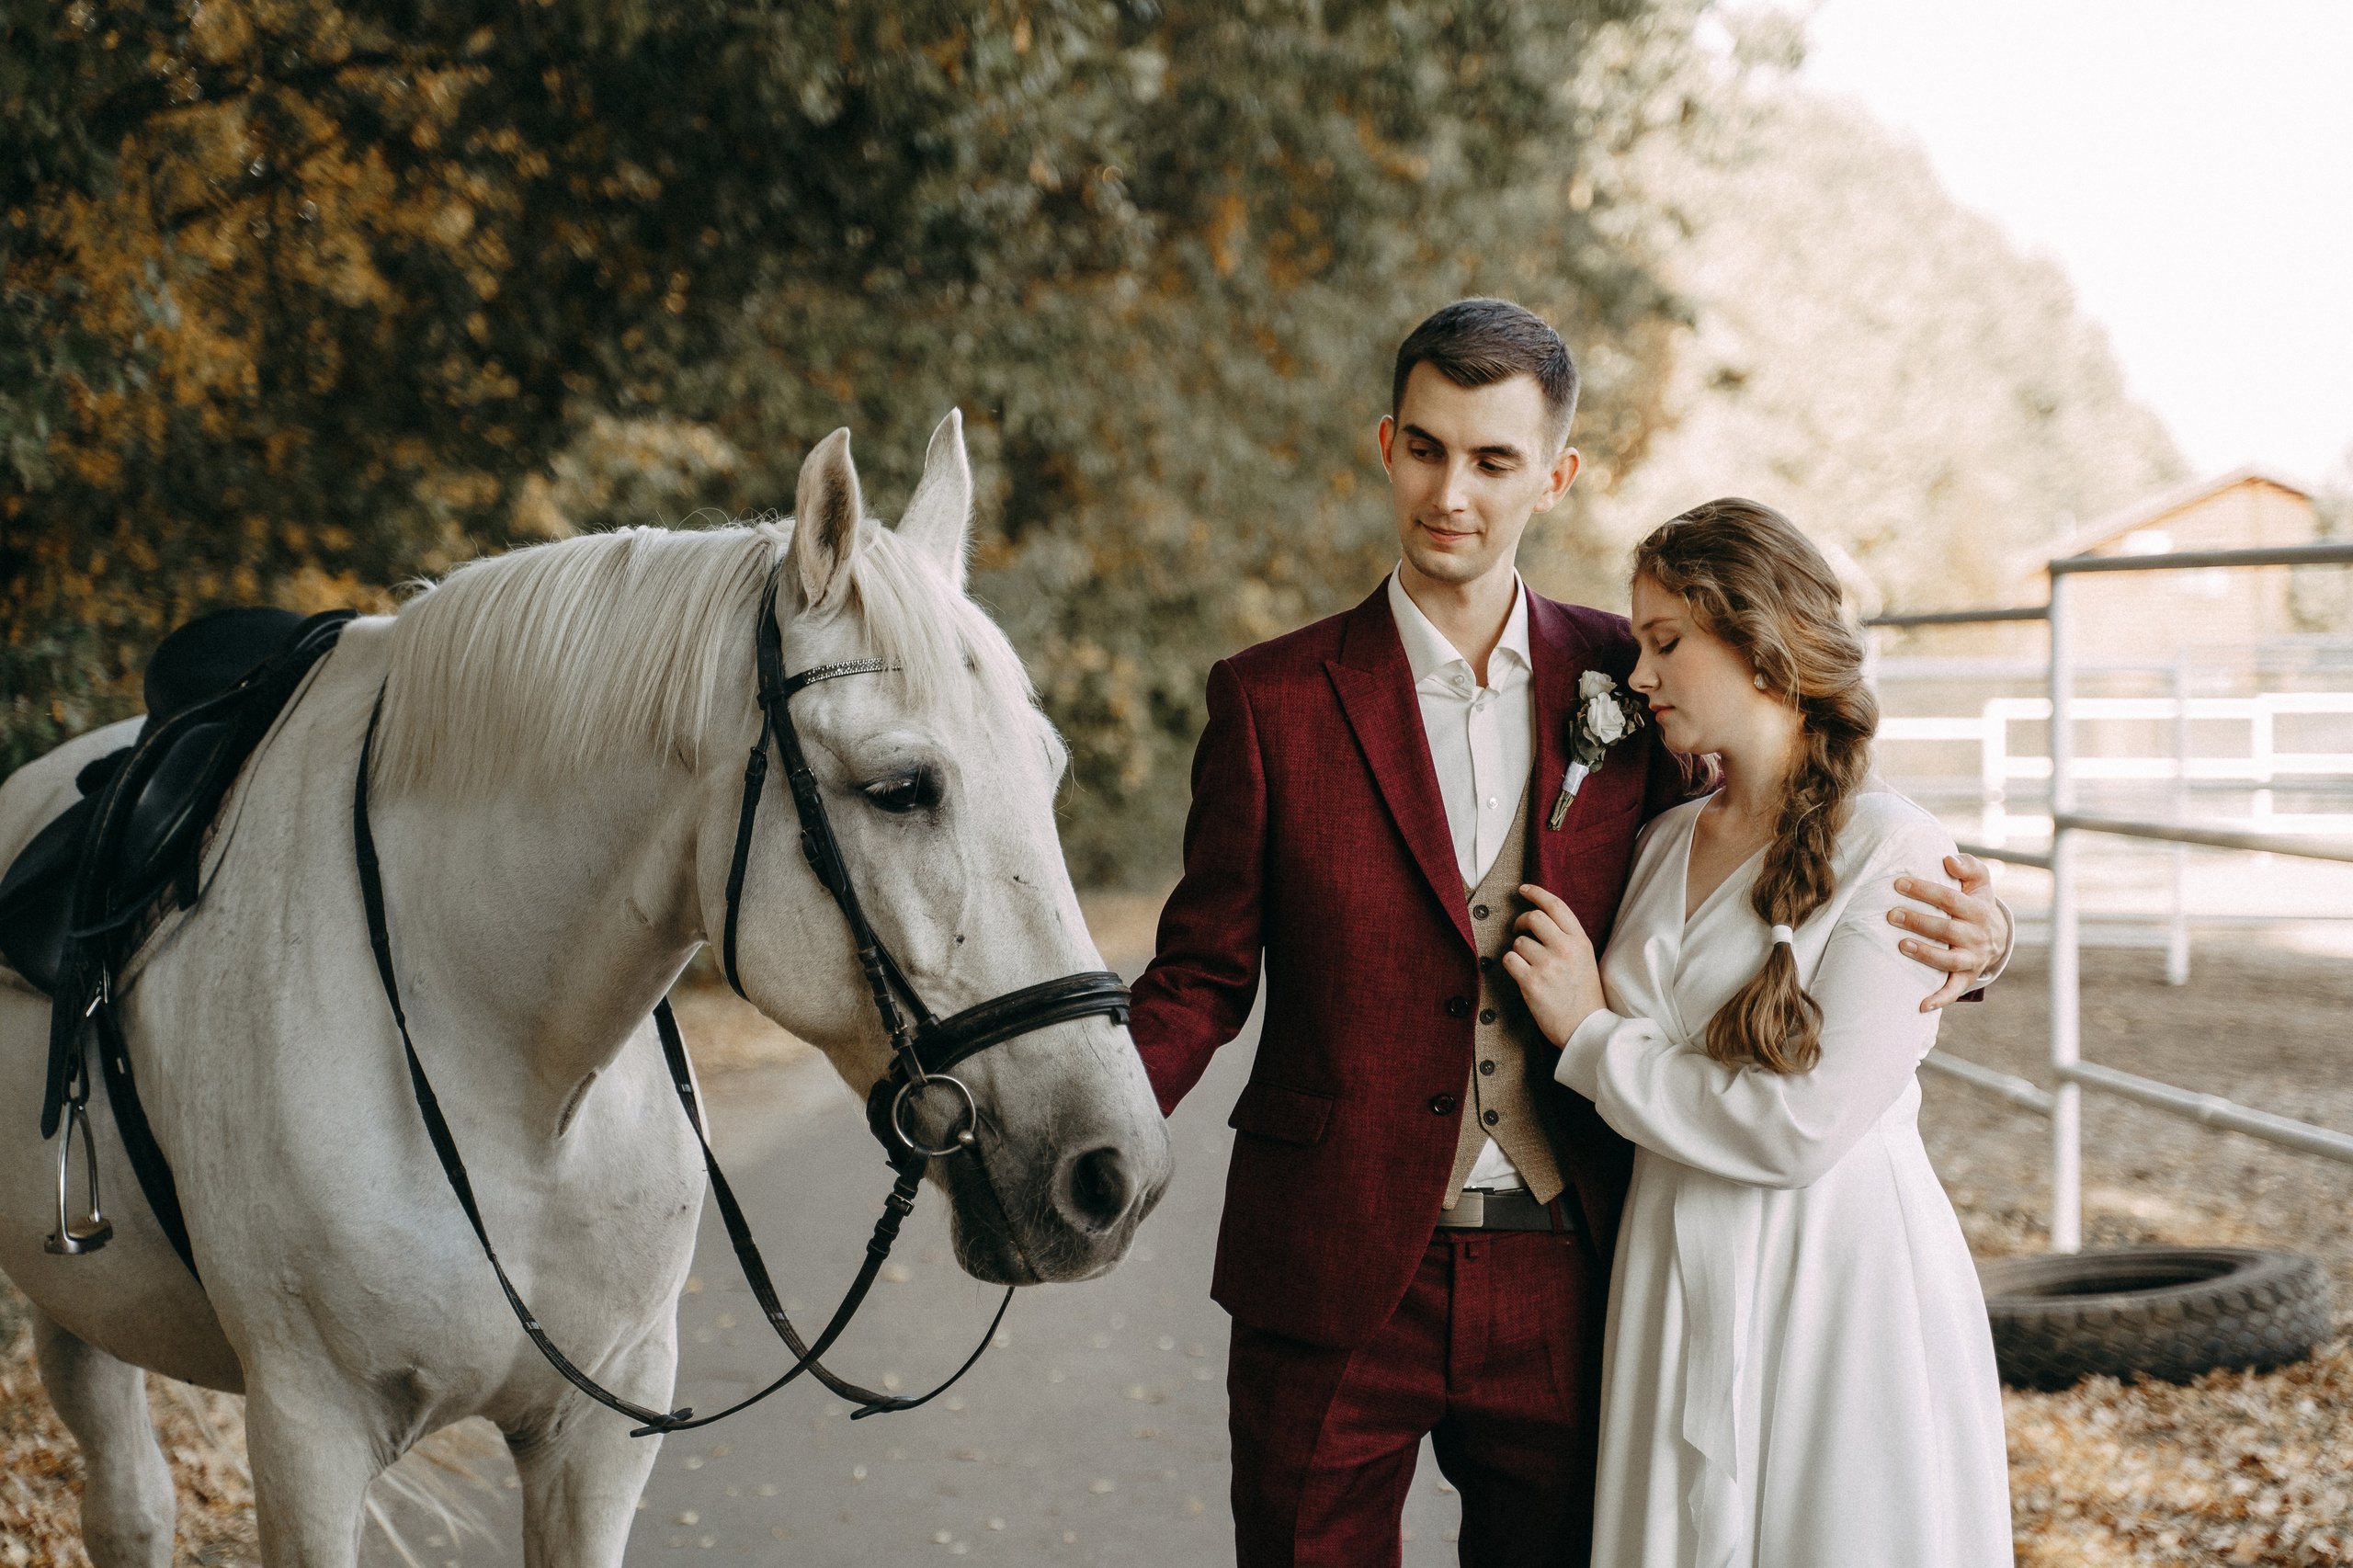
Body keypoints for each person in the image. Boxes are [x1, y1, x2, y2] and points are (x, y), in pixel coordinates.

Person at [1127, 298, 2012, 1566]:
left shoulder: (1634, 673)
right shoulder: (1269, 698)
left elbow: (1788, 844)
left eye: (1493, 459)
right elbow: (1201, 971)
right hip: (1329, 1257)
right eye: (1426, 448)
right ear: (1385, 445)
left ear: (1555, 475)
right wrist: (1089, 1118)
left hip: (1574, 1263)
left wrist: (1975, 941)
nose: (1452, 492)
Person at [1508, 498, 2014, 1568]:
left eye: (1665, 642)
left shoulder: (1895, 850)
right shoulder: (1658, 841)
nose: (1638, 675)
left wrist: (1589, 1037)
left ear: (1760, 643)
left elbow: (1799, 1127)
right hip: (1667, 1272)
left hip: (1833, 1280)